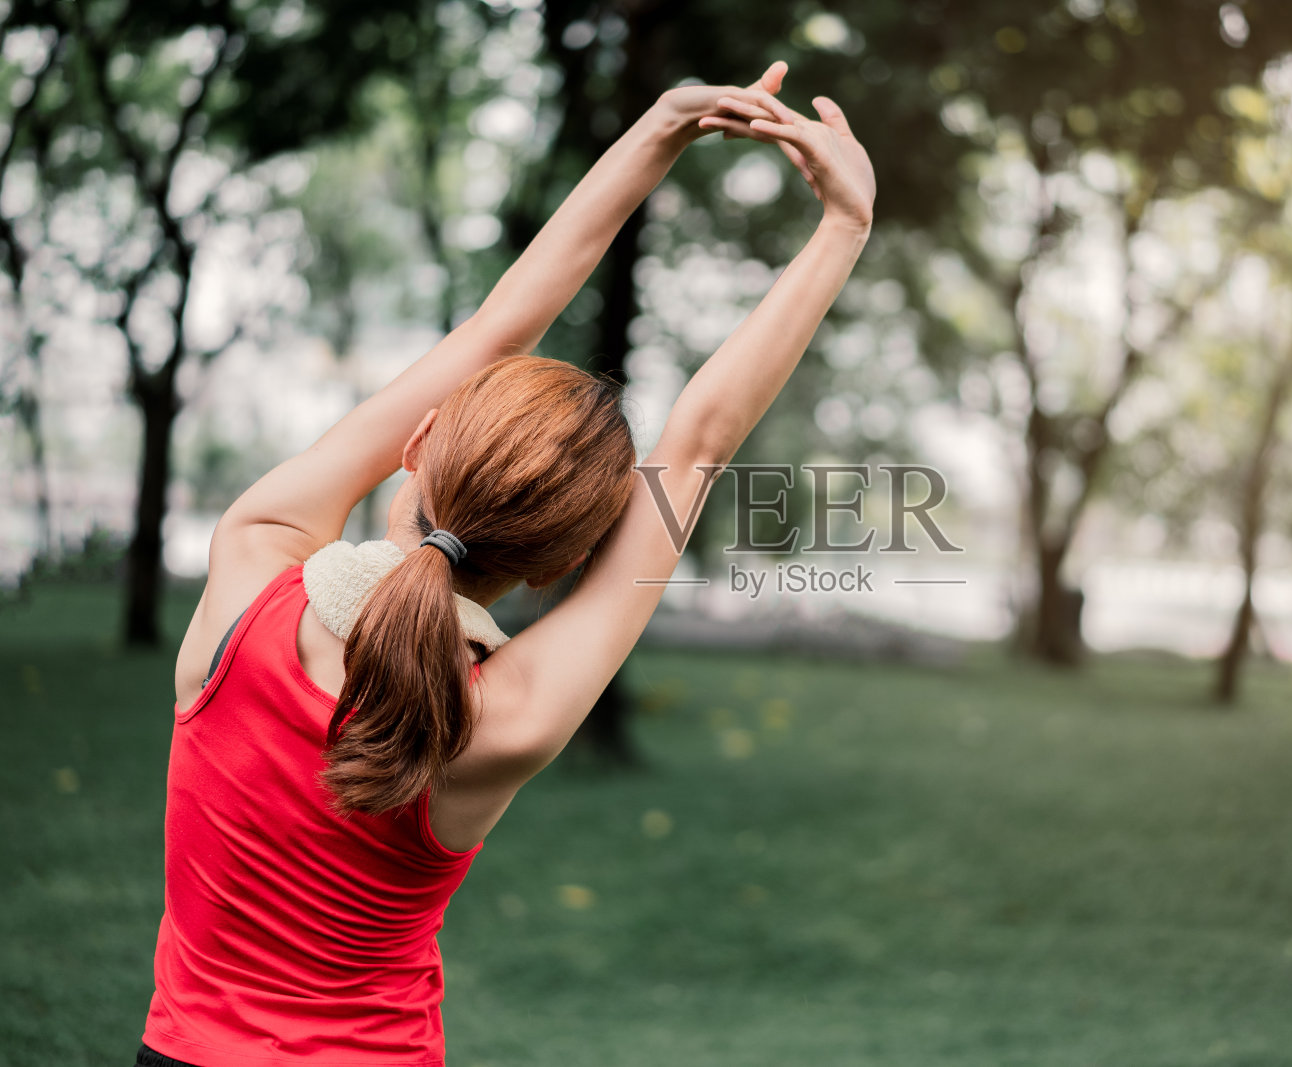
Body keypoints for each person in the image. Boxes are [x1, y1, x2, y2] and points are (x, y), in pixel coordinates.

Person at [136, 60, 875, 1067]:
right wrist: (843, 226)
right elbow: (695, 446)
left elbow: (497, 330)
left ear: (417, 442)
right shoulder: (502, 721)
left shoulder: (247, 568)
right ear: (557, 564)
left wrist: (658, 128)